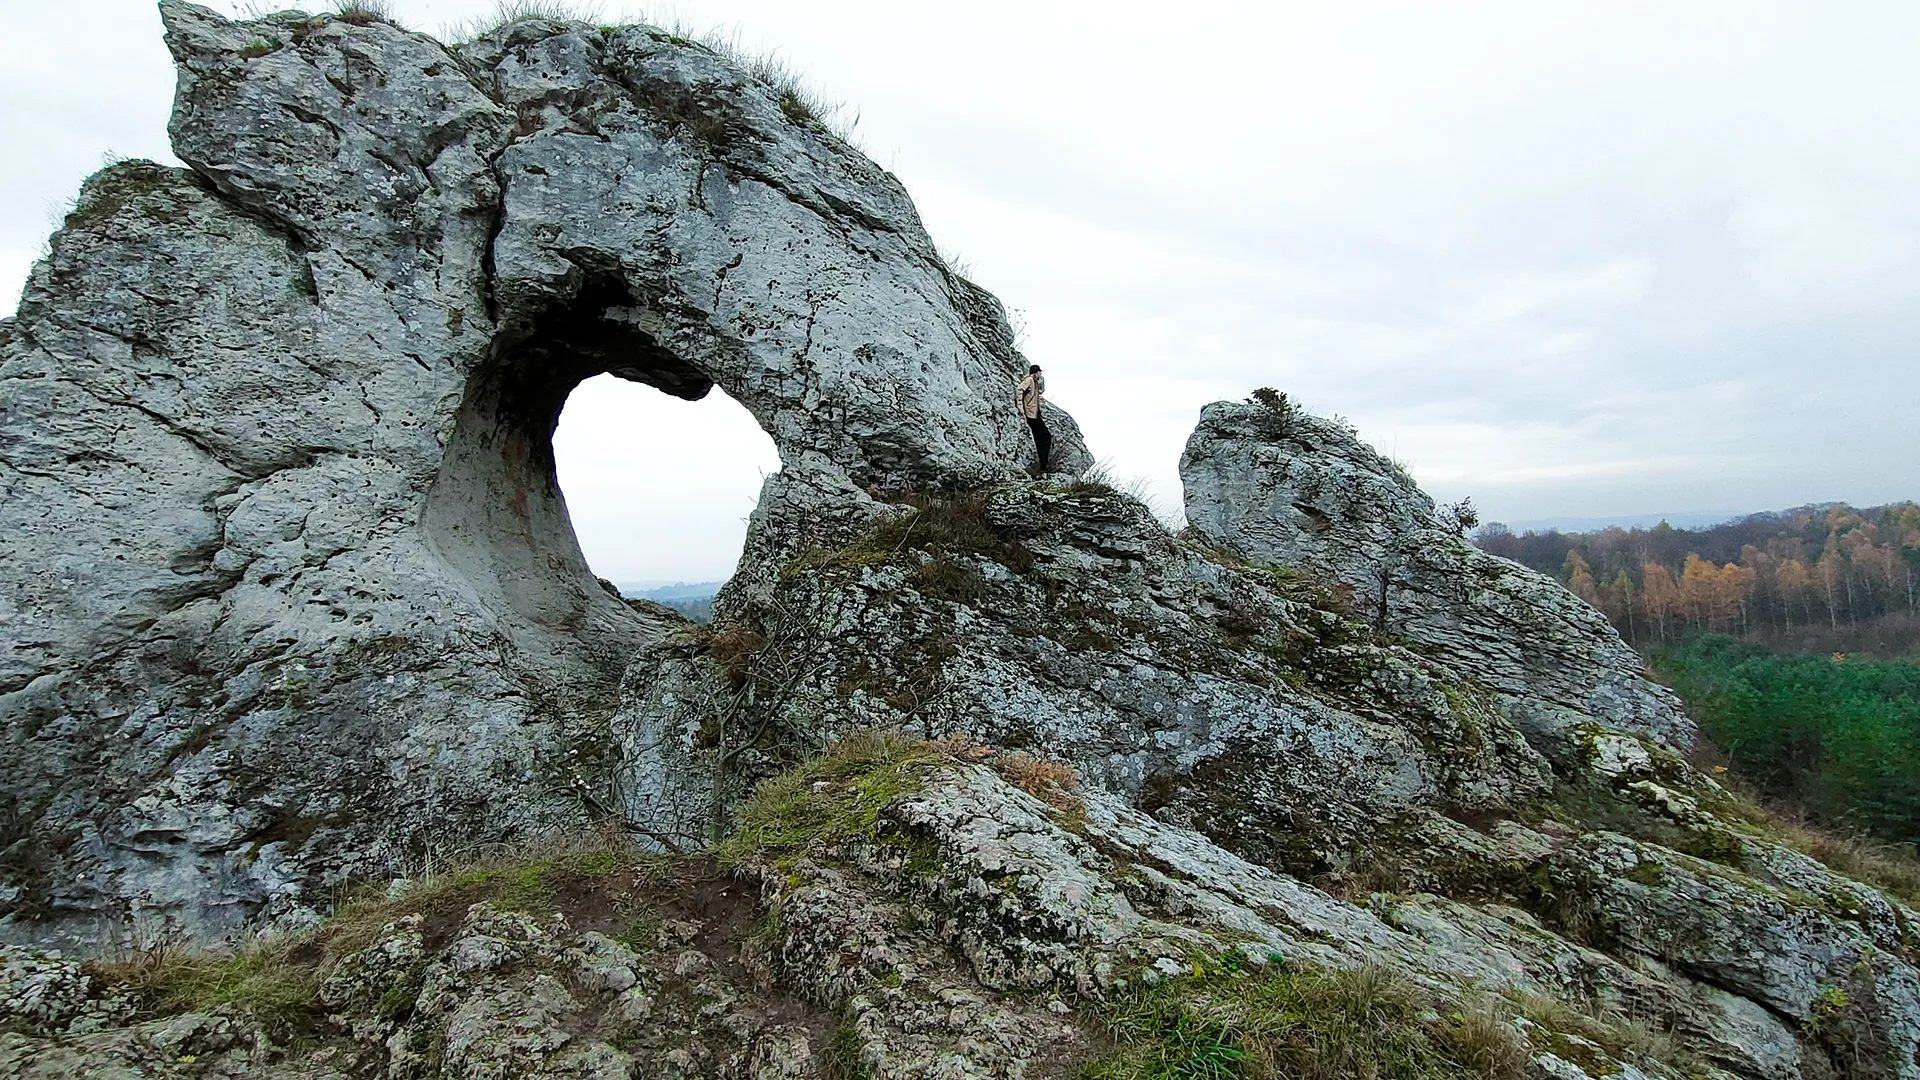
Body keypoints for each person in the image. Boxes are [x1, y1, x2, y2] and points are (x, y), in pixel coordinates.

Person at [1015, 364, 1051, 474]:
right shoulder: (1029, 380)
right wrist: (1021, 408)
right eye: (1039, 372)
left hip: (1034, 414)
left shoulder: (1034, 382)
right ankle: (1043, 465)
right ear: (1036, 372)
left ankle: (1043, 465)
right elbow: (1019, 390)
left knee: (1042, 438)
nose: (1040, 374)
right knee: (1046, 437)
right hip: (1031, 415)